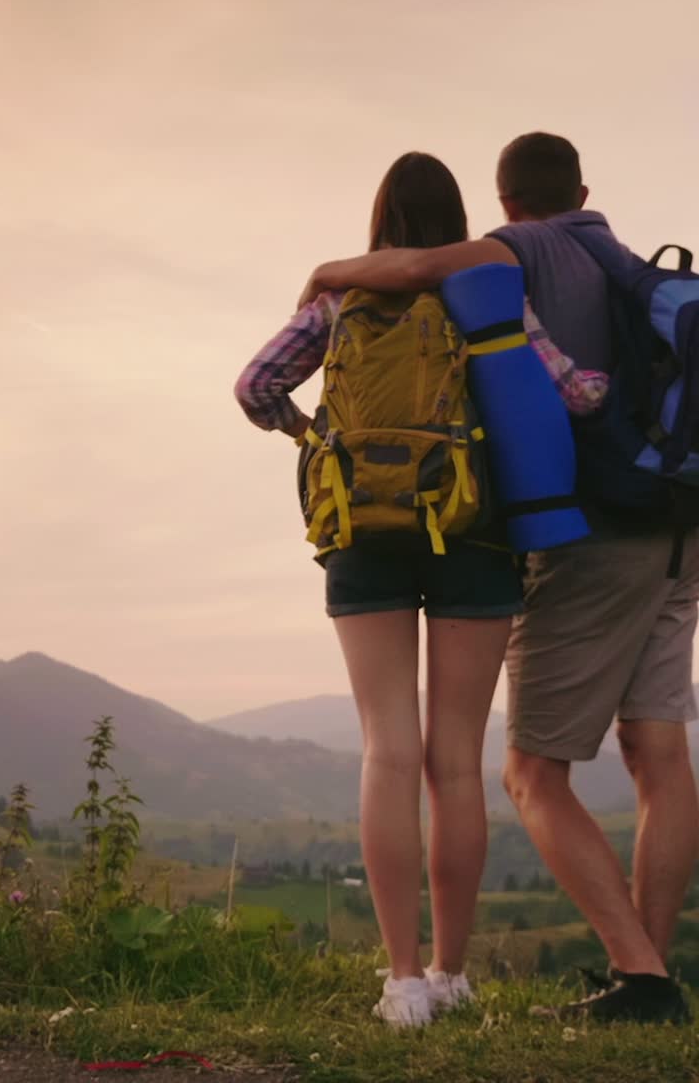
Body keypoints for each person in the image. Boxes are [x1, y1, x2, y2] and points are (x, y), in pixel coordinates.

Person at [297, 133, 696, 1024]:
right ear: (583, 188)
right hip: (669, 526)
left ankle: (618, 977)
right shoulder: (619, 261)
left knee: (499, 768)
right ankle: (622, 976)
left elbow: (262, 381)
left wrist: (329, 282)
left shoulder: (489, 259)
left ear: (507, 202)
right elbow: (585, 390)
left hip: (557, 538)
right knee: (649, 753)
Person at [235, 151, 606, 1027]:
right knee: (453, 762)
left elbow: (255, 386)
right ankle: (449, 971)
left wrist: (310, 435)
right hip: (474, 535)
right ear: (458, 219)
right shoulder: (483, 296)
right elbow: (579, 396)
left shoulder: (337, 304)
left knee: (387, 752)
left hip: (362, 533)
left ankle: (400, 982)